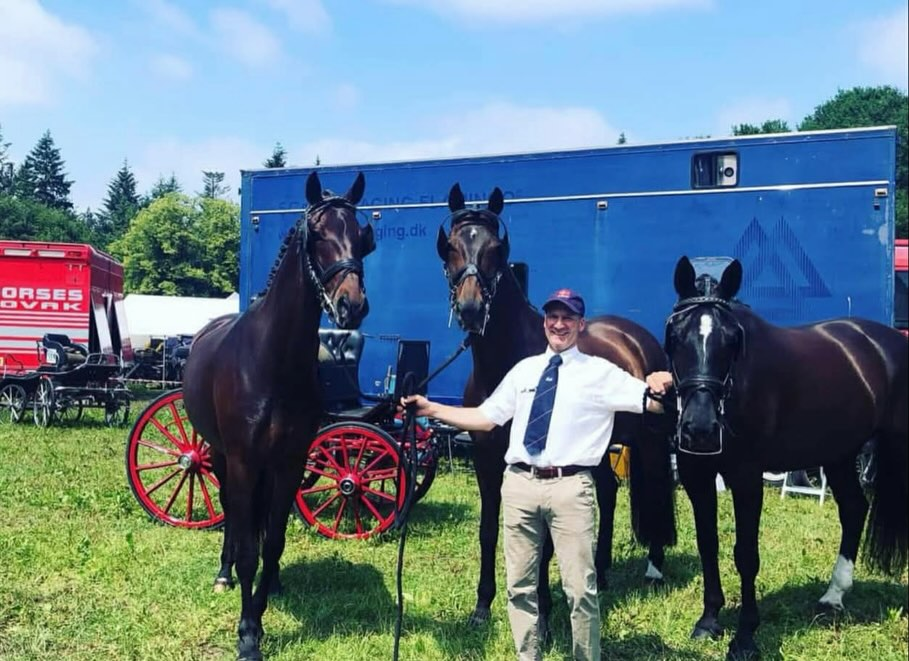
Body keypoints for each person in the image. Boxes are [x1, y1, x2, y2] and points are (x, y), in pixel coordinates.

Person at [402, 288, 673, 661]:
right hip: (520, 486)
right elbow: (485, 417)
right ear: (545, 322)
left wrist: (661, 386)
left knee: (580, 590)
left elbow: (651, 404)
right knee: (519, 587)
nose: (559, 325)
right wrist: (430, 408)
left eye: (567, 318)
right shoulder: (524, 371)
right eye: (553, 317)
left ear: (580, 325)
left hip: (570, 488)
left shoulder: (600, 372)